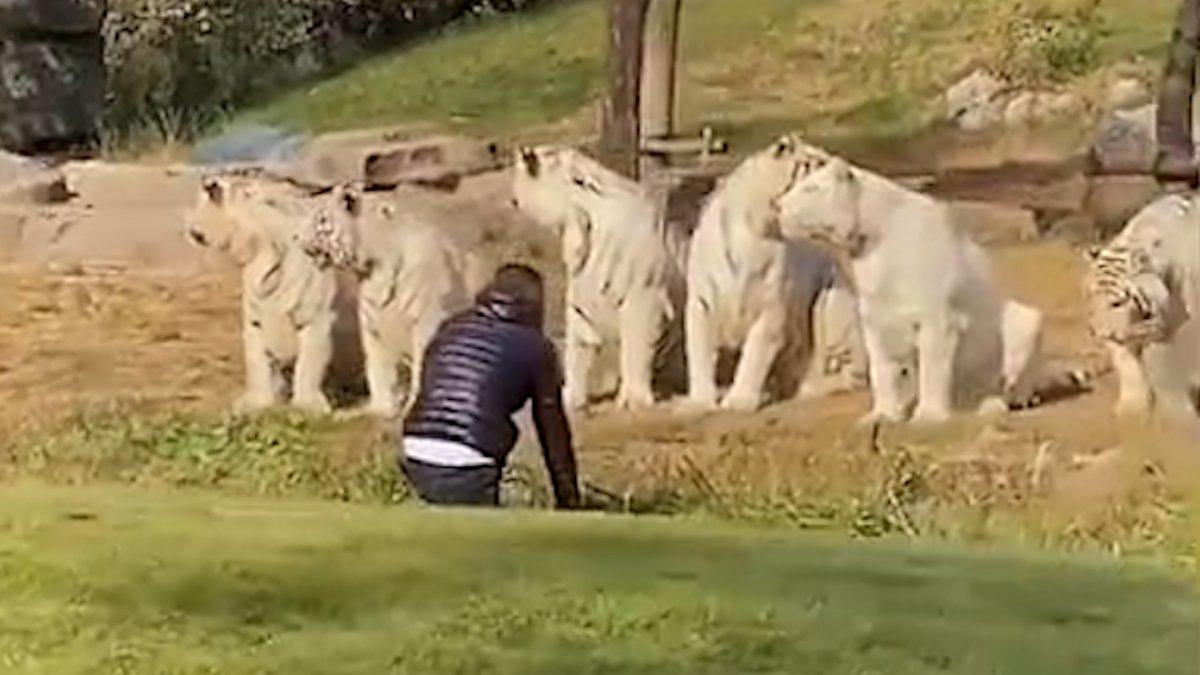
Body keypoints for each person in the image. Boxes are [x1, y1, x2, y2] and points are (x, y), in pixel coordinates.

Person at [399, 264, 581, 509]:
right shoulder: (537, 348)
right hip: (469, 459)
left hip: (415, 447)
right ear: (536, 304)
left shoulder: (450, 327)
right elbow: (553, 432)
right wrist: (568, 499)